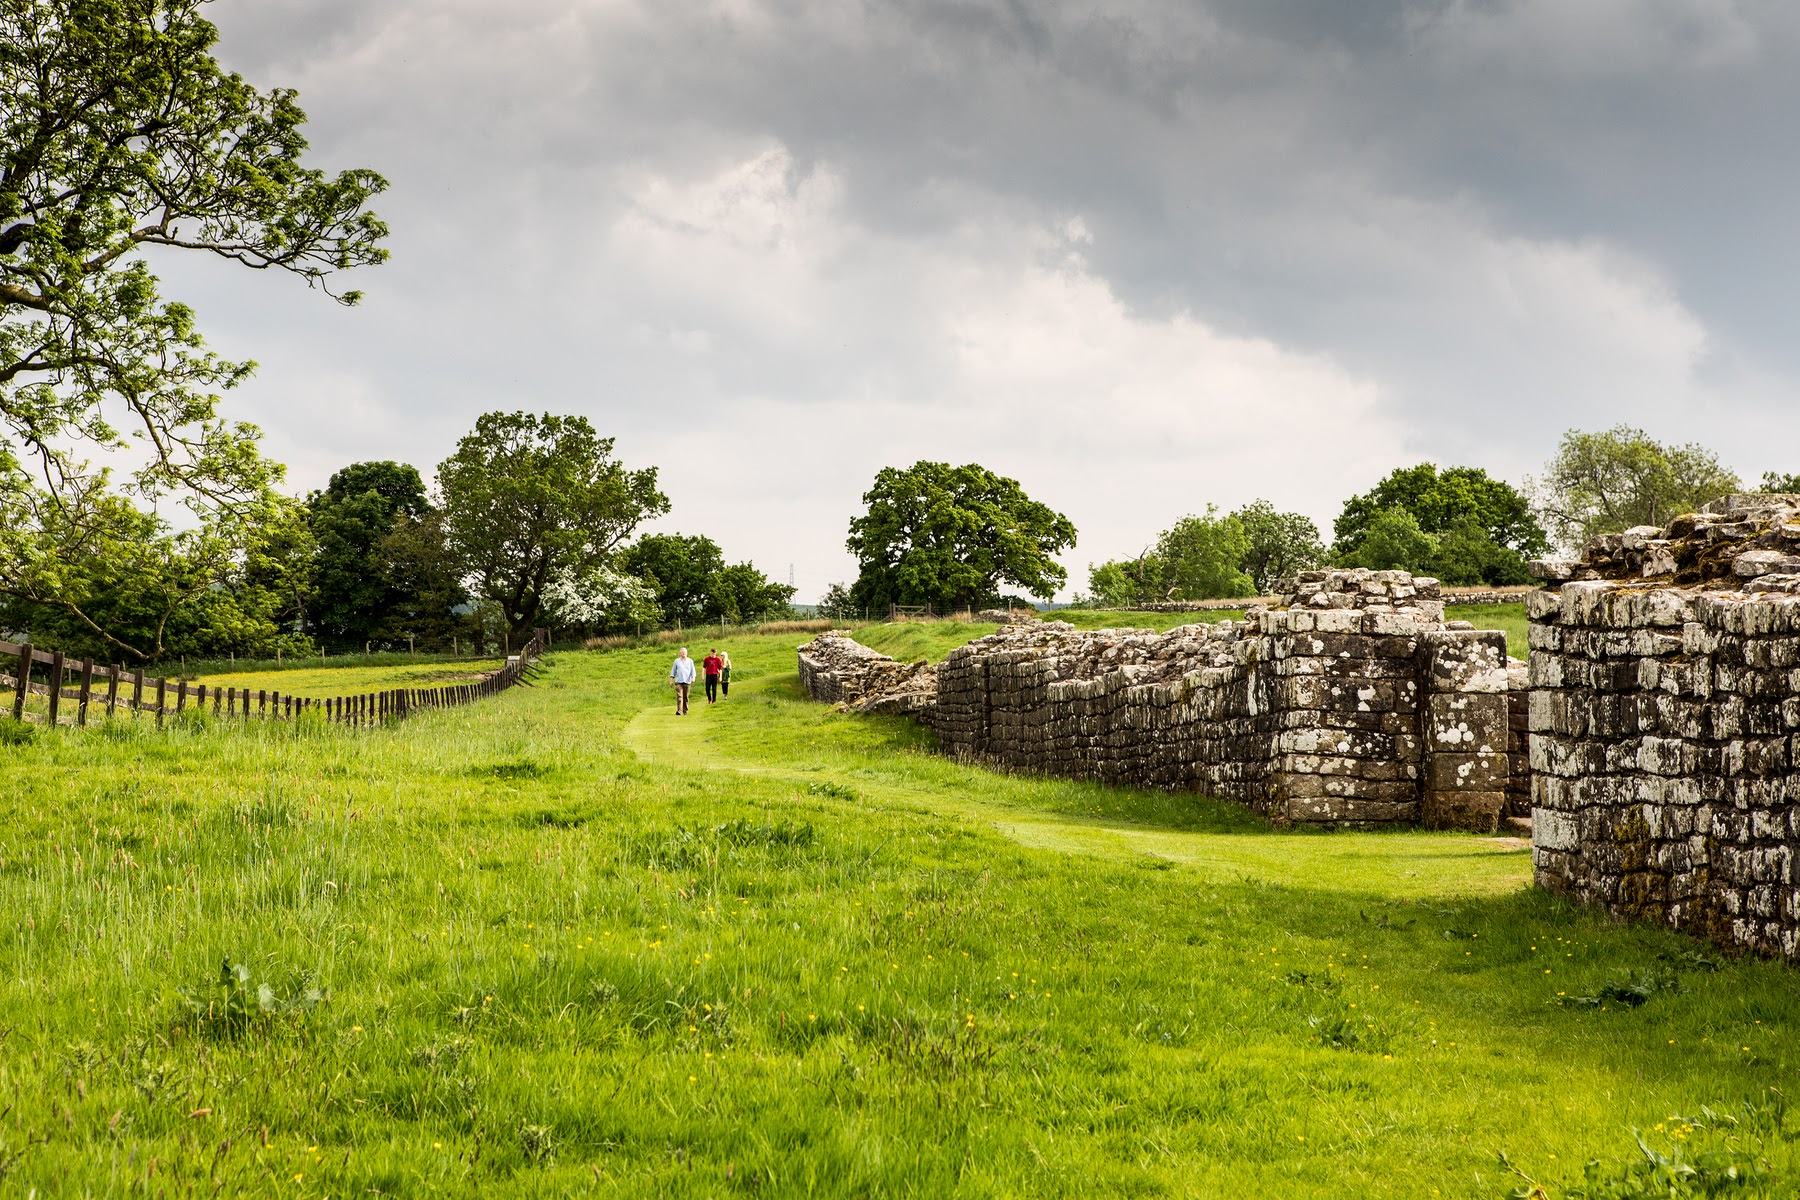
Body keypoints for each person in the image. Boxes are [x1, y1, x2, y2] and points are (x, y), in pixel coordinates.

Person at [669, 647, 696, 714]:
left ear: (687, 653)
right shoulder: (676, 661)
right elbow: (673, 671)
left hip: (687, 681)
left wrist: (693, 677)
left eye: (685, 652)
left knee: (686, 697)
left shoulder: (690, 661)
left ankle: (685, 710)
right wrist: (671, 680)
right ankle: (679, 711)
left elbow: (693, 671)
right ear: (680, 653)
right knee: (679, 696)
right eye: (682, 652)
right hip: (679, 682)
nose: (683, 653)